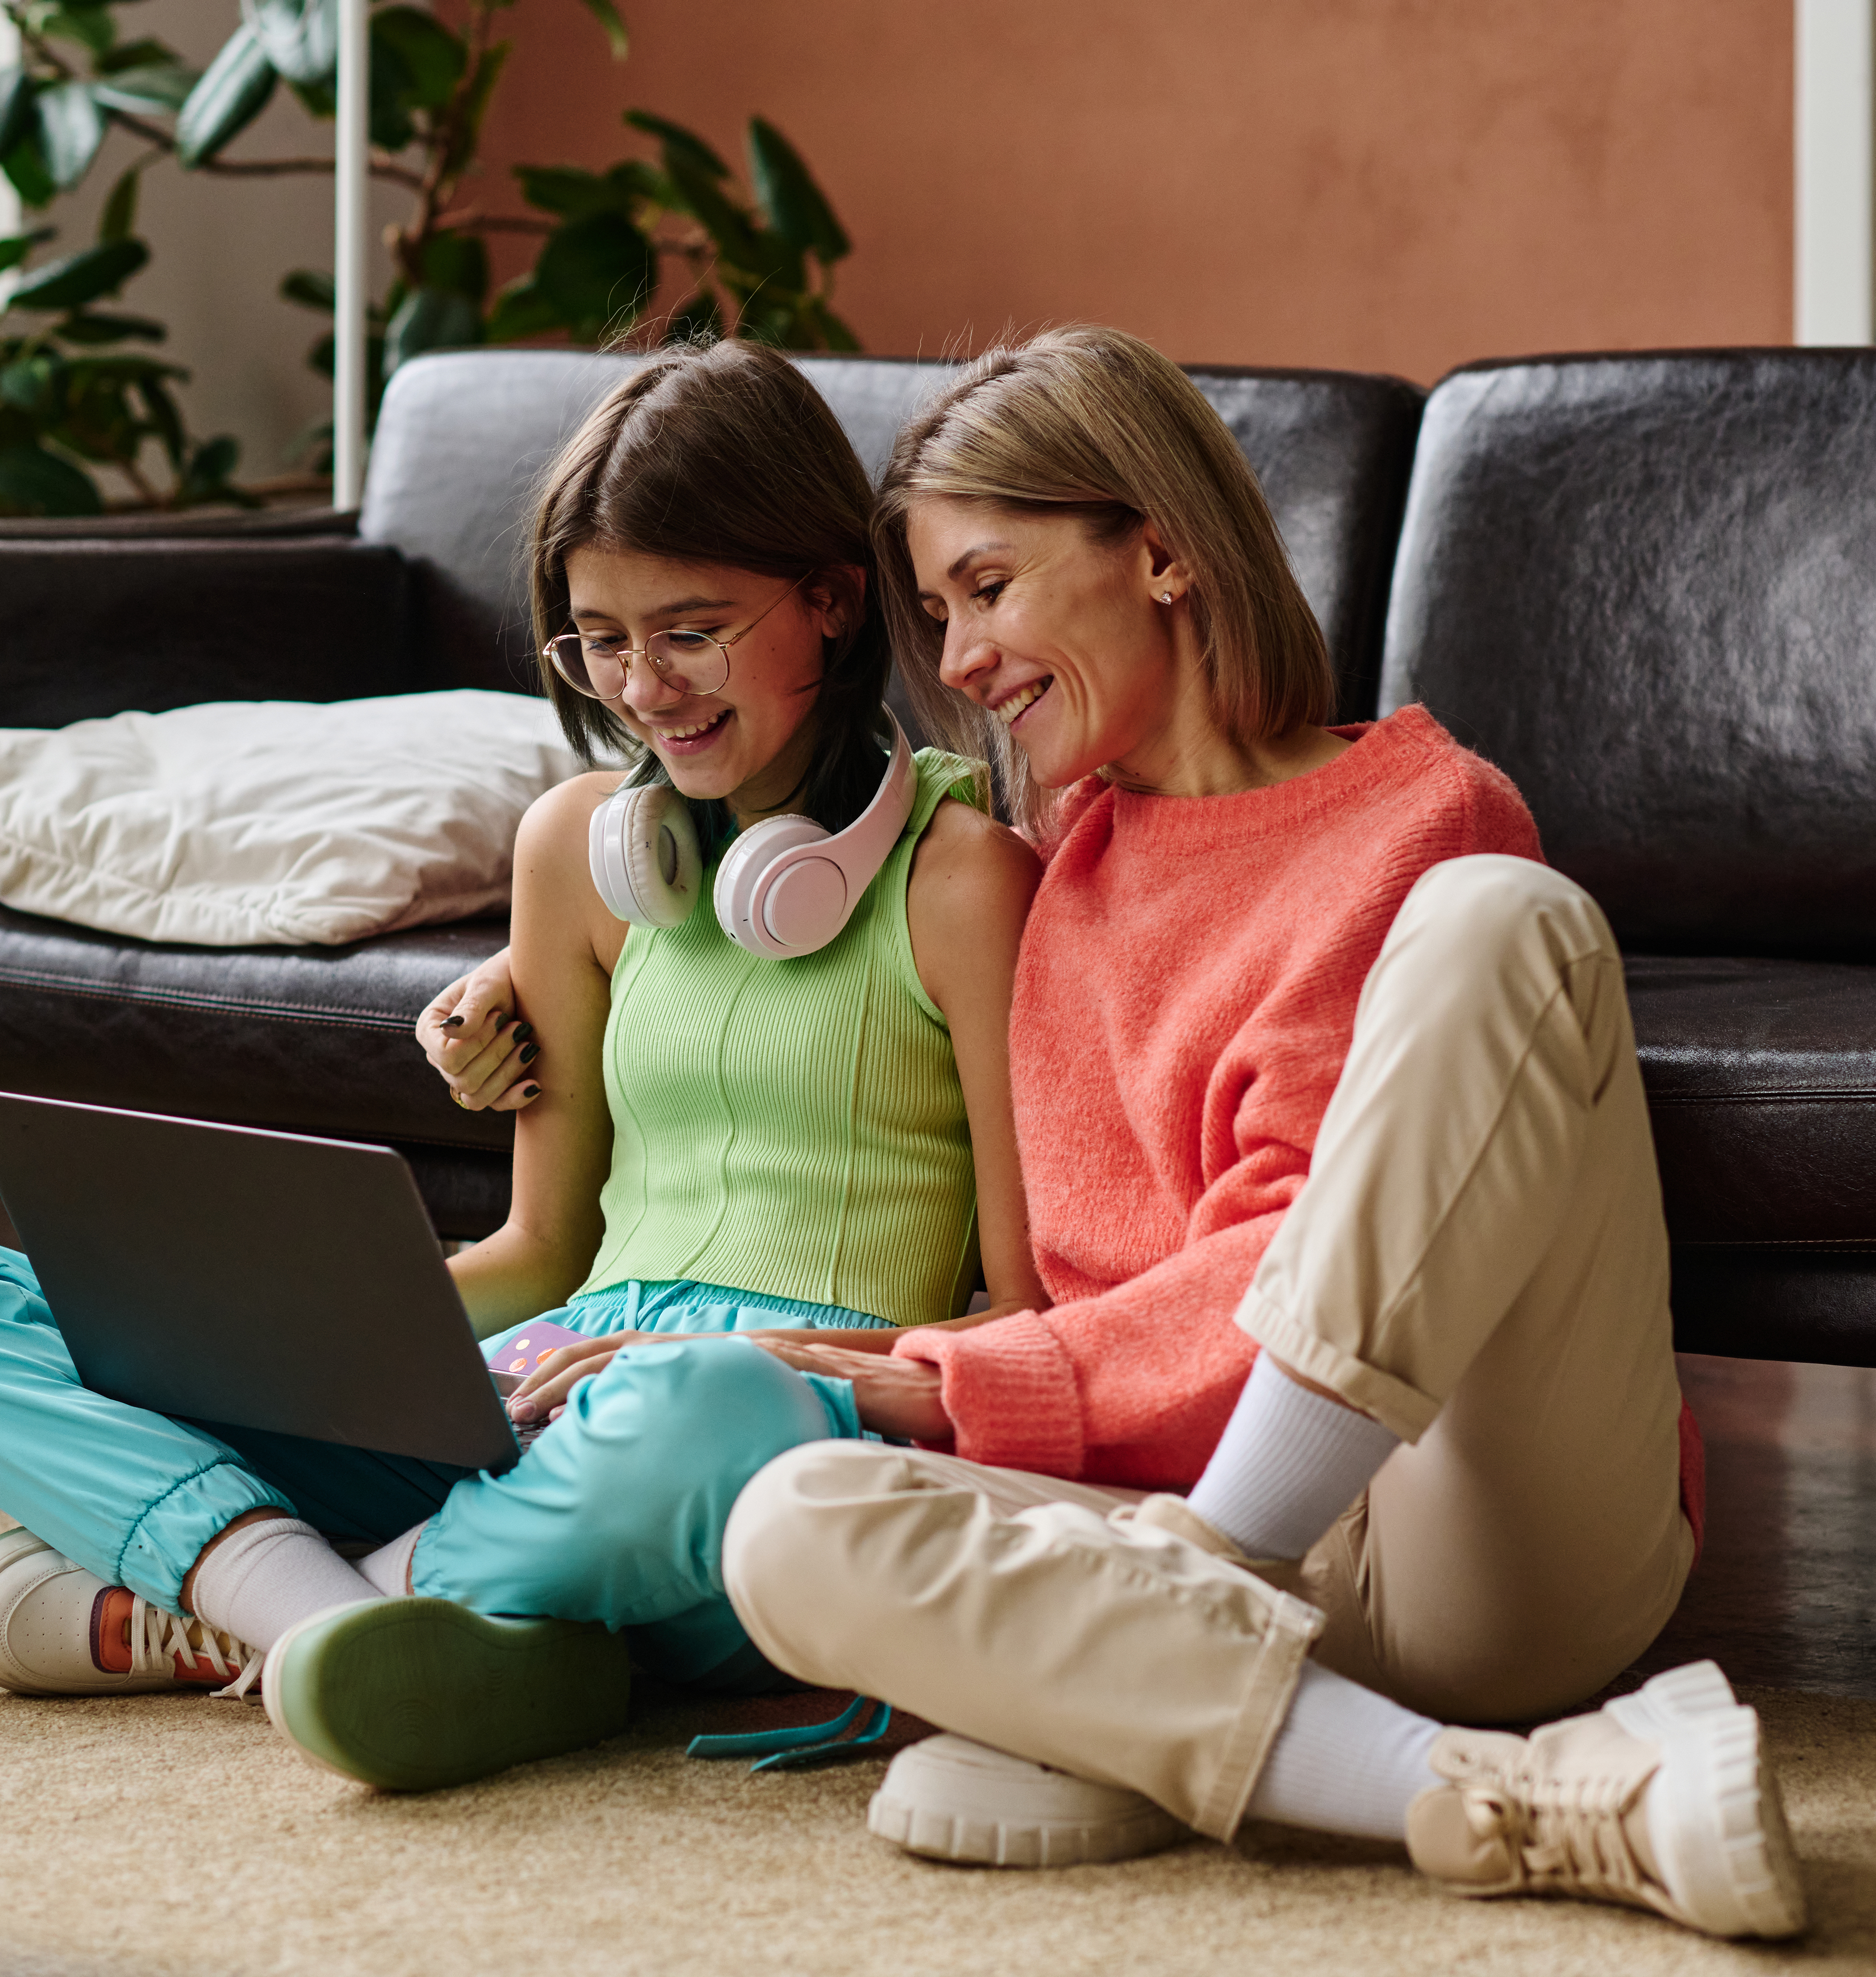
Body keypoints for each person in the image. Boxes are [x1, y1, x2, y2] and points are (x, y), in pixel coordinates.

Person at [687, 328, 1808, 1939]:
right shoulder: (1047, 873)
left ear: (1157, 548)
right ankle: (1509, 1796)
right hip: (1169, 1526)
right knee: (786, 1528)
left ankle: (1167, 1627)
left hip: (1457, 1521)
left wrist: (968, 1381)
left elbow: (1319, 1239)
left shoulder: (1426, 813)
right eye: (936, 615)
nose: (965, 655)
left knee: (1506, 920)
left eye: (988, 588)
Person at [0, 338, 1042, 1792]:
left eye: (692, 630)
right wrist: (289, 1332)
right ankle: (348, 1616)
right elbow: (540, 1252)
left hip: (745, 1443)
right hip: (528, 1408)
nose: (645, 687)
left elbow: (1017, 1323)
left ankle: (244, 1598)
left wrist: (722, 1357)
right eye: (601, 639)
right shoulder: (584, 858)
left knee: (694, 1403)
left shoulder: (965, 879)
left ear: (831, 603)